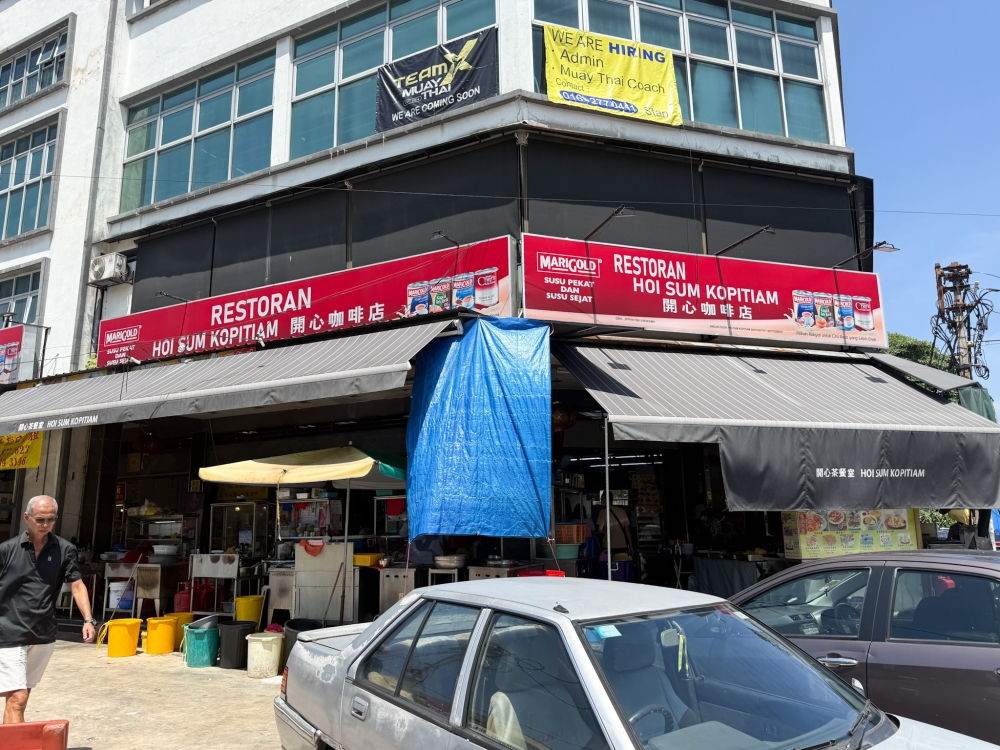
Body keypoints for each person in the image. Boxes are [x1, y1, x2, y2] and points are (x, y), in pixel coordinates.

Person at [0, 496, 97, 723]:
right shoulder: (6, 550)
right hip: (9, 631)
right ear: (27, 517)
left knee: (19, 698)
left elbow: (77, 585)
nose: (45, 524)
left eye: (51, 520)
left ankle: (9, 740)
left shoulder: (65, 549)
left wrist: (88, 620)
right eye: (40, 519)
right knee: (18, 697)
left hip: (43, 633)